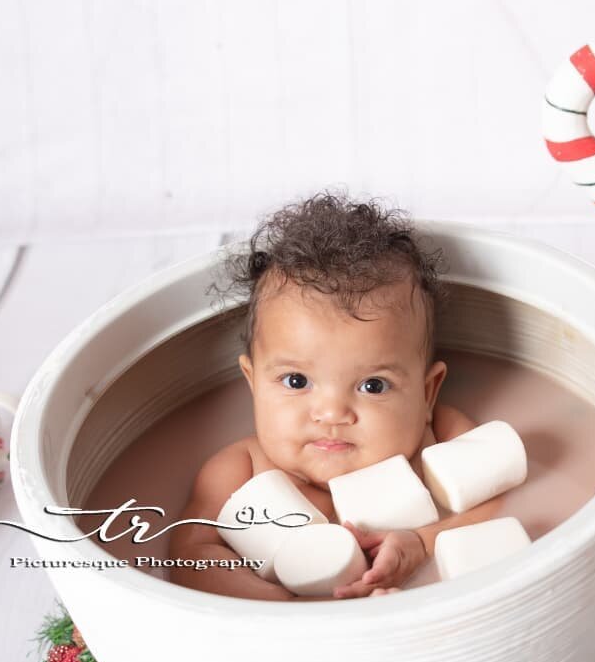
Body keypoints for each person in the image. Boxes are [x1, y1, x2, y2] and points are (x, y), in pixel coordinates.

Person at [169, 191, 502, 600]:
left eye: (373, 385)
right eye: (296, 381)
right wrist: (281, 606)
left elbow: (495, 508)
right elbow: (191, 556)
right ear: (252, 382)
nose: (331, 412)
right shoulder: (238, 471)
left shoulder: (442, 441)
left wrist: (422, 543)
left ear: (427, 393)